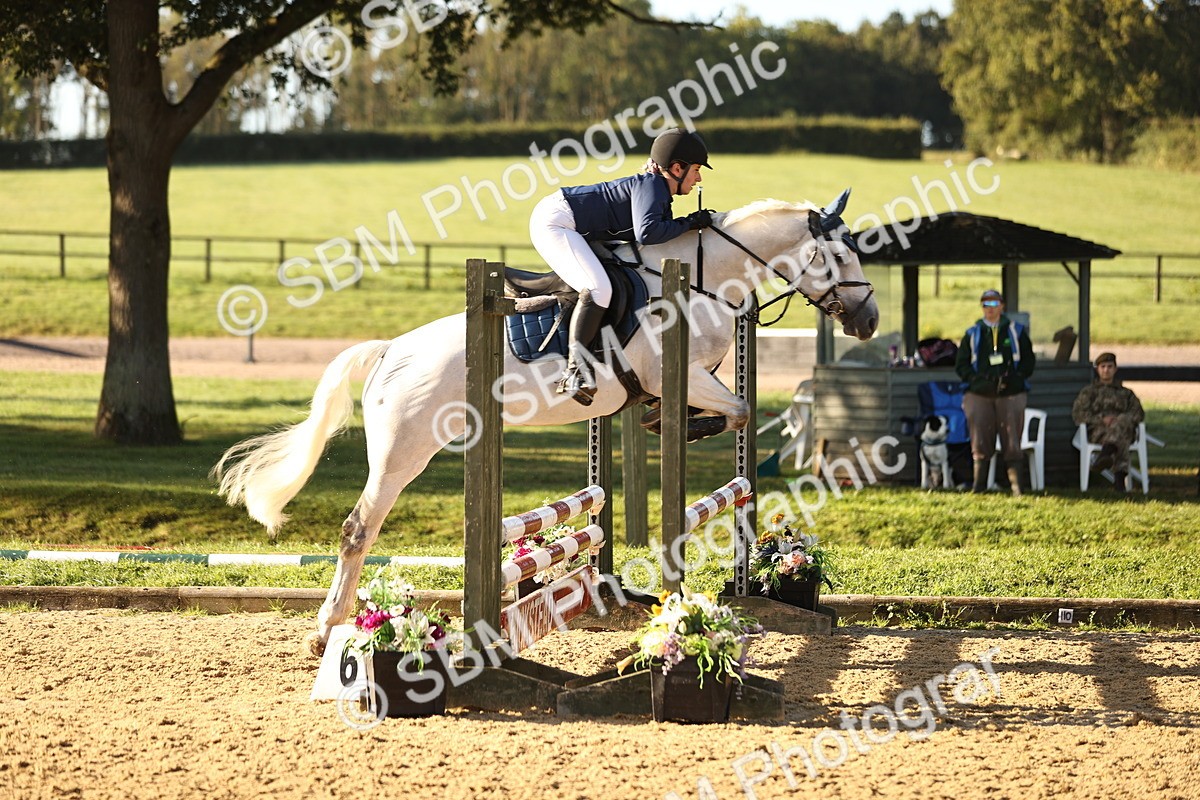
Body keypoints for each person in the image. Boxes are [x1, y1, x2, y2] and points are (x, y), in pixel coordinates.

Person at [529, 127, 714, 403]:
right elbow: (648, 233)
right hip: (557, 222)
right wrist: (690, 223)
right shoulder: (652, 186)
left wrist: (687, 224)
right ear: (677, 168)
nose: (698, 177)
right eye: (696, 169)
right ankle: (575, 371)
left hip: (572, 223)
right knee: (598, 288)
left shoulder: (658, 189)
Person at [954, 289, 1036, 495]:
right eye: (985, 305)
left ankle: (1017, 488)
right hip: (980, 392)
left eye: (993, 304)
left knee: (1012, 438)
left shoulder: (1016, 331)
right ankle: (979, 486)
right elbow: (961, 365)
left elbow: (1028, 361)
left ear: (1002, 306)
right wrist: (974, 380)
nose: (989, 309)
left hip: (1011, 392)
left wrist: (1016, 380)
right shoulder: (972, 334)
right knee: (980, 438)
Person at [1071, 352, 1145, 492]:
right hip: (1100, 432)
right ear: (1097, 369)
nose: (1106, 370)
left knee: (1122, 423)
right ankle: (1119, 481)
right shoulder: (1089, 392)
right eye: (1103, 366)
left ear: (1115, 369)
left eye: (1110, 366)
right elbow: (1078, 414)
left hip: (1124, 428)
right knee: (1121, 437)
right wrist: (1102, 420)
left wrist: (1119, 420)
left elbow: (1138, 413)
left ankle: (1106, 454)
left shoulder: (1126, 393)